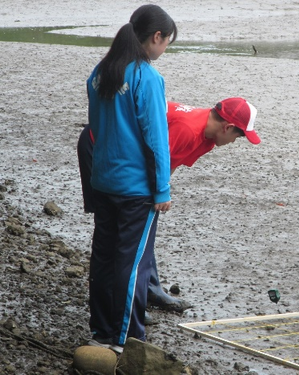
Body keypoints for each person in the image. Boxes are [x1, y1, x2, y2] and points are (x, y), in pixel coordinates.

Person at [78, 97, 260, 323]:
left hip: (132, 155)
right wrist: (156, 194)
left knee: (143, 225)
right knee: (119, 231)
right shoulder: (188, 129)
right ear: (228, 127)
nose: (236, 141)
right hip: (101, 144)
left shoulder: (208, 136)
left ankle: (148, 290)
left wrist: (160, 192)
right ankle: (121, 304)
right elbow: (152, 161)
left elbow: (169, 163)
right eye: (239, 136)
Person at [85, 5, 177, 353]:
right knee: (130, 262)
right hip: (135, 189)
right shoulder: (146, 76)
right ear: (156, 37)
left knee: (104, 257)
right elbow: (156, 139)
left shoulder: (100, 72)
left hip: (104, 179)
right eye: (166, 42)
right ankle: (124, 339)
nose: (164, 49)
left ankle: (101, 332)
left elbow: (95, 128)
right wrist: (162, 188)